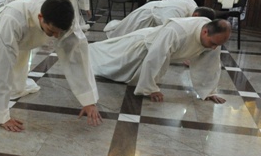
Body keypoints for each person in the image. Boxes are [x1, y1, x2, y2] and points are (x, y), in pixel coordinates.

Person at [0, 0, 101, 131]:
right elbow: (2, 67)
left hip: (21, 43)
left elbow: (77, 56)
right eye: (52, 31)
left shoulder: (64, 17)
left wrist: (88, 101)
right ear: (41, 17)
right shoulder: (14, 19)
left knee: (15, 87)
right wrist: (1, 115)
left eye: (59, 32)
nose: (56, 36)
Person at [89, 18, 231, 103]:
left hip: (153, 49)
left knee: (117, 68)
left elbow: (210, 65)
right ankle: (84, 51)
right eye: (213, 43)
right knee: (108, 63)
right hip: (141, 47)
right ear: (205, 32)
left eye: (217, 45)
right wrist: (151, 88)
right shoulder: (177, 31)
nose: (214, 48)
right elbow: (155, 57)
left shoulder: (213, 36)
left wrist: (209, 91)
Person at [103, 0, 210, 38]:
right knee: (124, 35)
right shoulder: (177, 11)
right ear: (196, 15)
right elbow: (169, 29)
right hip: (146, 15)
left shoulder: (192, 5)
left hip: (156, 13)